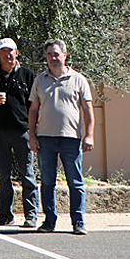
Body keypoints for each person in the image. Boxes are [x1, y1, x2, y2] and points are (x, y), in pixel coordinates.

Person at [29, 39, 95, 235]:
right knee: (48, 182)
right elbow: (33, 109)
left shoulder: (78, 79)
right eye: (49, 54)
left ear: (64, 55)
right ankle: (49, 221)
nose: (53, 58)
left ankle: (78, 222)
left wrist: (89, 134)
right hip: (45, 138)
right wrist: (32, 136)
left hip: (70, 138)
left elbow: (87, 108)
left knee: (75, 181)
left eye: (56, 54)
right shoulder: (40, 80)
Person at [0, 37, 39, 227]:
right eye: (3, 51)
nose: (7, 54)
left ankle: (31, 215)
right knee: (3, 175)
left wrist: (34, 132)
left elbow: (35, 105)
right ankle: (5, 214)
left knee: (27, 174)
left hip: (23, 130)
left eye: (11, 51)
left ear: (17, 53)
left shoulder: (28, 75)